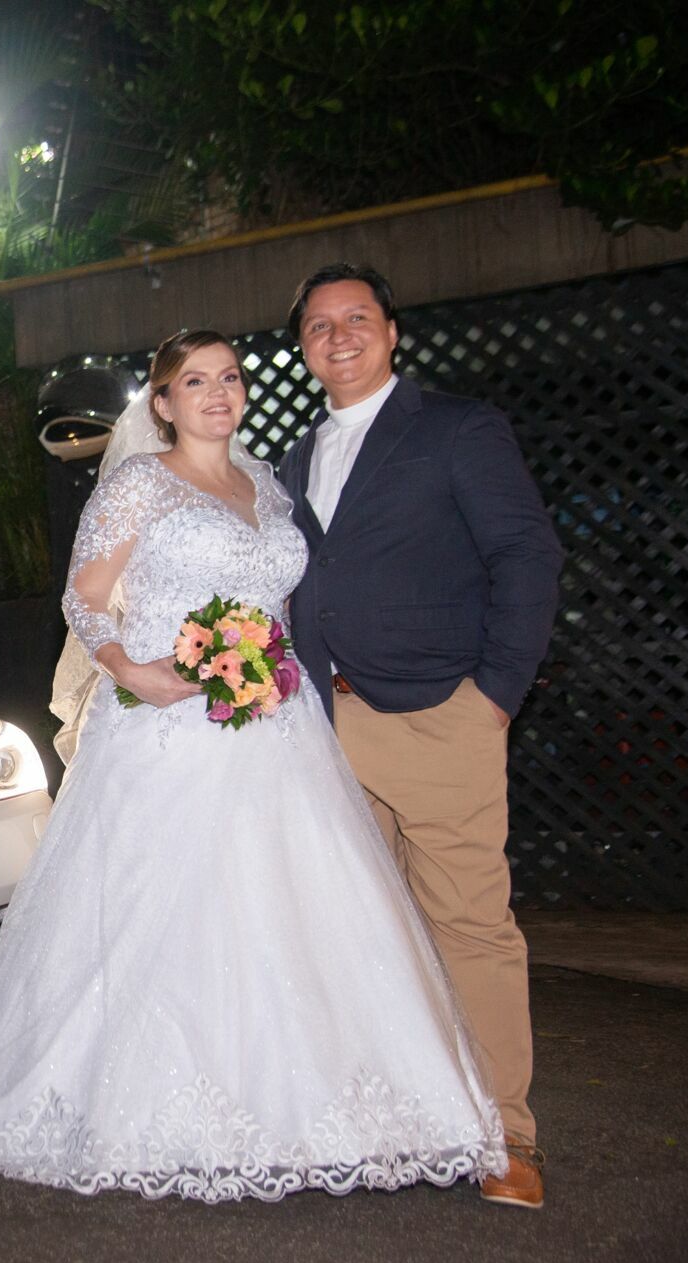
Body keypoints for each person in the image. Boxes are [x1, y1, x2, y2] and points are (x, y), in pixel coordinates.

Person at [0, 330, 506, 1203]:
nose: (219, 393)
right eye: (194, 382)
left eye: (231, 378)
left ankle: (319, 1103)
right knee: (167, 921)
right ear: (162, 404)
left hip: (279, 735)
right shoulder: (140, 484)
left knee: (295, 915)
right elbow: (83, 598)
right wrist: (136, 668)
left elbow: (280, 605)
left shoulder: (268, 487)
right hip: (170, 733)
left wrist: (266, 667)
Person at [277, 264, 563, 1209]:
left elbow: (526, 554)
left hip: (441, 715)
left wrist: (495, 694)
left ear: (392, 331)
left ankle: (505, 1138)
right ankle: (396, 1118)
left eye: (357, 317)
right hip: (325, 722)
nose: (339, 335)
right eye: (319, 326)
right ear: (305, 347)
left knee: (470, 926)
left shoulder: (457, 429)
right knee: (363, 933)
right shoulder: (292, 455)